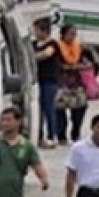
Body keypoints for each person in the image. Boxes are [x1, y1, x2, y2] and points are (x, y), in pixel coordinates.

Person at [57, 24, 98, 145]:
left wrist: (83, 67)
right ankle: (61, 134)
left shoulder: (80, 48)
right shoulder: (57, 47)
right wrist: (71, 67)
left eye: (74, 34)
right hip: (61, 84)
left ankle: (75, 131)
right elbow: (56, 65)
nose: (73, 37)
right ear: (63, 35)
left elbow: (92, 63)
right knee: (59, 110)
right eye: (70, 34)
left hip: (78, 83)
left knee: (80, 109)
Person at [33, 18, 62, 148]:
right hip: (37, 80)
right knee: (38, 109)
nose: (35, 32)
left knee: (49, 108)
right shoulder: (34, 44)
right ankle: (38, 135)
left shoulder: (53, 44)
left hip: (49, 81)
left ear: (43, 31)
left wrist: (33, 57)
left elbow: (45, 55)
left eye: (37, 30)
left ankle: (52, 135)